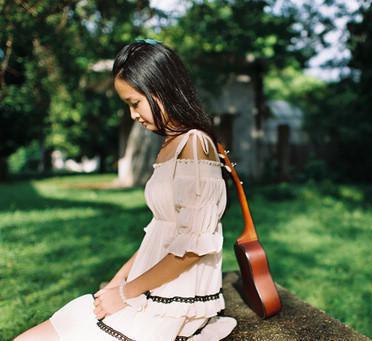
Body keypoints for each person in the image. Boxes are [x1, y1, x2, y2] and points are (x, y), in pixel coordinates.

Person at [14, 38, 237, 341]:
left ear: (162, 90)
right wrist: (116, 282)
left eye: (135, 102)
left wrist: (125, 292)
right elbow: (161, 235)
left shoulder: (194, 145)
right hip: (147, 288)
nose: (133, 115)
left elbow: (193, 249)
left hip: (172, 305)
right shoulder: (169, 145)